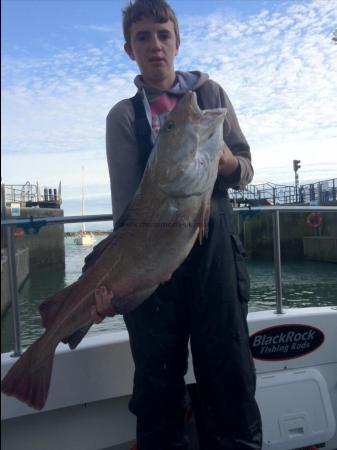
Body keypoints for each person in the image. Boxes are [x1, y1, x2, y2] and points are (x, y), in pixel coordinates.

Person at [90, 0, 262, 448]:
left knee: (228, 372)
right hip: (152, 257)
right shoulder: (124, 117)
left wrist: (226, 161)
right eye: (142, 37)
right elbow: (126, 211)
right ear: (129, 49)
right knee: (157, 381)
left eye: (163, 35)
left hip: (214, 252)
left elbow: (245, 169)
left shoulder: (212, 96)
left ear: (177, 42)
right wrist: (117, 282)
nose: (155, 46)